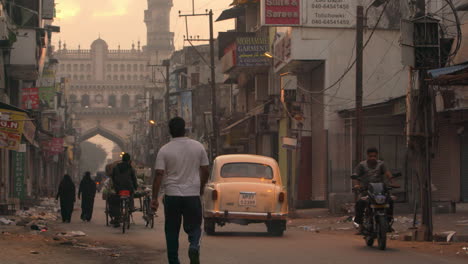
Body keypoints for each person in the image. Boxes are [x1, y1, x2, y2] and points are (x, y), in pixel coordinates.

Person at [151, 117, 210, 264]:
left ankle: (174, 261)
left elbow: (159, 175)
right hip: (192, 195)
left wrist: (154, 199)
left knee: (171, 231)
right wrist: (200, 187)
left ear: (169, 131)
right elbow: (205, 170)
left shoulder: (164, 150)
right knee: (195, 227)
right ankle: (194, 246)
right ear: (185, 129)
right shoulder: (198, 147)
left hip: (172, 195)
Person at [353, 147, 398, 229]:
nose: (372, 158)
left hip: (380, 190)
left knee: (390, 200)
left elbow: (388, 173)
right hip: (366, 190)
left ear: (377, 156)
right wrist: (357, 185)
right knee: (360, 202)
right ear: (367, 156)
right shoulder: (362, 165)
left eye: (374, 156)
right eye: (370, 156)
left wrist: (393, 182)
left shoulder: (381, 164)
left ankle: (388, 221)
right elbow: (356, 176)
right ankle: (360, 224)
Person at [111, 153, 137, 227]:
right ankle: (131, 207)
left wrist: (115, 185)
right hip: (129, 188)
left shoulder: (116, 167)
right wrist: (135, 187)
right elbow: (134, 179)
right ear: (129, 160)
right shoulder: (130, 167)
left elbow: (113, 177)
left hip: (118, 188)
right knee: (131, 195)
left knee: (117, 201)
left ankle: (117, 218)